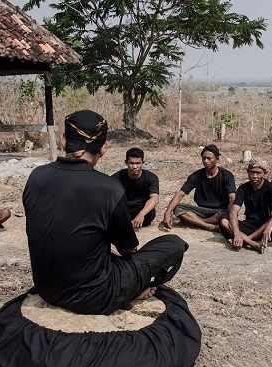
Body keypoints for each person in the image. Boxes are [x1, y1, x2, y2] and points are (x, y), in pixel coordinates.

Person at [22, 110, 188, 315]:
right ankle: (133, 290)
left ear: (63, 140)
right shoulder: (109, 188)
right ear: (104, 148)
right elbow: (128, 250)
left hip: (47, 289)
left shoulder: (36, 177)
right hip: (94, 297)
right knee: (174, 243)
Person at [219, 158, 272, 253]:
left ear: (264, 173)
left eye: (258, 173)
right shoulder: (243, 188)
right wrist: (237, 233)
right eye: (252, 172)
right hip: (251, 225)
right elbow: (234, 210)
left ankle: (246, 240)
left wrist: (269, 225)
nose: (254, 176)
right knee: (224, 219)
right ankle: (252, 243)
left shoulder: (270, 186)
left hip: (268, 228)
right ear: (248, 172)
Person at [162, 144, 236, 232]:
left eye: (209, 158)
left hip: (220, 211)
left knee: (224, 213)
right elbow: (180, 194)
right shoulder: (196, 176)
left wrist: (231, 214)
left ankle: (196, 222)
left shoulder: (227, 175)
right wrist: (167, 213)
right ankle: (210, 226)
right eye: (203, 158)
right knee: (177, 207)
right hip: (201, 211)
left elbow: (232, 198)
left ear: (217, 159)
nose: (205, 161)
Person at [111, 148, 160, 229]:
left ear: (143, 163)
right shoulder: (117, 177)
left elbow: (155, 198)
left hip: (142, 209)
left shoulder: (151, 178)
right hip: (124, 209)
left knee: (150, 213)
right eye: (131, 163)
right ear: (126, 162)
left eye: (138, 163)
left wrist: (141, 214)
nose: (135, 167)